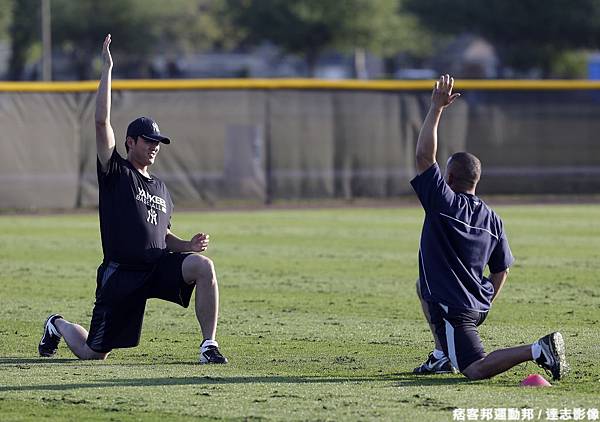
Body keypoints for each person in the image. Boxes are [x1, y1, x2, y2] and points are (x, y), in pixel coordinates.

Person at [38, 34, 227, 364]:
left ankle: (208, 345)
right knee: (93, 354)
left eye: (158, 142)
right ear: (130, 142)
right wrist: (107, 70)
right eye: (148, 140)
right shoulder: (115, 172)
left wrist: (187, 246)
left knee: (203, 267)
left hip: (155, 268)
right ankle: (58, 325)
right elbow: (100, 122)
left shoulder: (161, 189)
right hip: (121, 275)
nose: (154, 146)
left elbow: (160, 235)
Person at [410, 74, 566, 380]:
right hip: (477, 302)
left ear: (450, 180)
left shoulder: (443, 202)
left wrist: (437, 108)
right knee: (422, 287)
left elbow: (423, 156)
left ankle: (537, 349)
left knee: (474, 369)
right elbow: (501, 271)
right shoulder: (493, 218)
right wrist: (483, 303)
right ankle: (443, 355)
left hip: (456, 307)